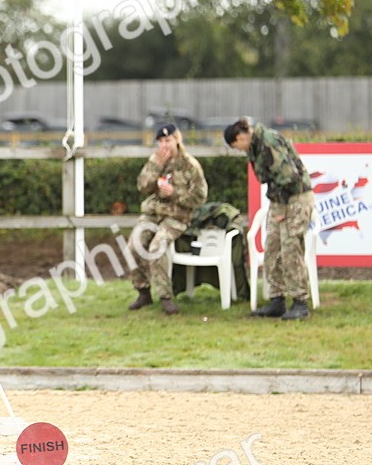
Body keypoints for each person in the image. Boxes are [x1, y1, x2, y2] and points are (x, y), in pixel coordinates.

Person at [223, 117, 314, 320]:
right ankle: (277, 299)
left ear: (240, 137)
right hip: (279, 199)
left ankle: (300, 302)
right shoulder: (256, 146)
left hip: (295, 198)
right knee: (272, 247)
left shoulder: (268, 142)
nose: (239, 150)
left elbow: (288, 177)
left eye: (236, 146)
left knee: (291, 248)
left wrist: (281, 207)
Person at [127, 124, 208, 315]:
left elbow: (200, 197)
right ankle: (143, 292)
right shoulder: (155, 160)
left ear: (177, 139)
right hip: (153, 214)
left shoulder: (189, 165)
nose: (164, 145)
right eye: (161, 141)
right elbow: (143, 186)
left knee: (157, 246)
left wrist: (175, 193)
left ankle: (165, 297)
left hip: (176, 217)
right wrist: (156, 166)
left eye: (168, 140)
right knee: (133, 245)